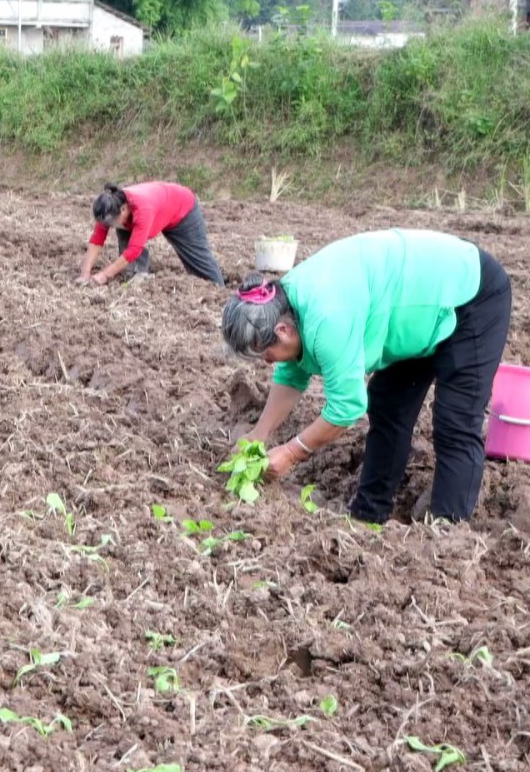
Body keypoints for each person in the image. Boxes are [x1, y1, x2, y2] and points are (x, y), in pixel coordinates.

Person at [221, 229, 512, 524]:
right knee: (388, 405)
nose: (266, 361)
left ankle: (446, 535)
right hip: (412, 306)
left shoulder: (327, 321)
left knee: (455, 421)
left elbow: (344, 409)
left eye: (263, 353)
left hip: (468, 293)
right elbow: (291, 374)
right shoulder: (285, 303)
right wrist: (259, 433)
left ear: (281, 331)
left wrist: (291, 452)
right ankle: (368, 514)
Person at [77, 182, 224, 286]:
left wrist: (104, 275)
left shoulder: (142, 210)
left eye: (112, 222)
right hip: (159, 208)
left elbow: (134, 250)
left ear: (123, 209)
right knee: (123, 228)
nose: (110, 226)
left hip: (182, 211)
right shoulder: (109, 208)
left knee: (199, 261)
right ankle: (137, 274)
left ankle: (219, 289)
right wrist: (85, 273)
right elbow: (97, 239)